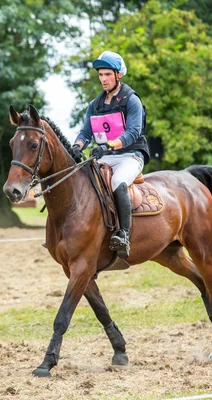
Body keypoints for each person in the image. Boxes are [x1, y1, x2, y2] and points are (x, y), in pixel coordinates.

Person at [69, 51, 150, 259]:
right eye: (100, 75)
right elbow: (86, 133)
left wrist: (108, 146)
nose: (103, 79)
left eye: (107, 74)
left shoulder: (132, 100)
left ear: (118, 75)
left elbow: (132, 132)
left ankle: (123, 234)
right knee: (81, 180)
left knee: (118, 182)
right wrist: (77, 146)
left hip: (131, 155)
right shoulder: (95, 105)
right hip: (105, 155)